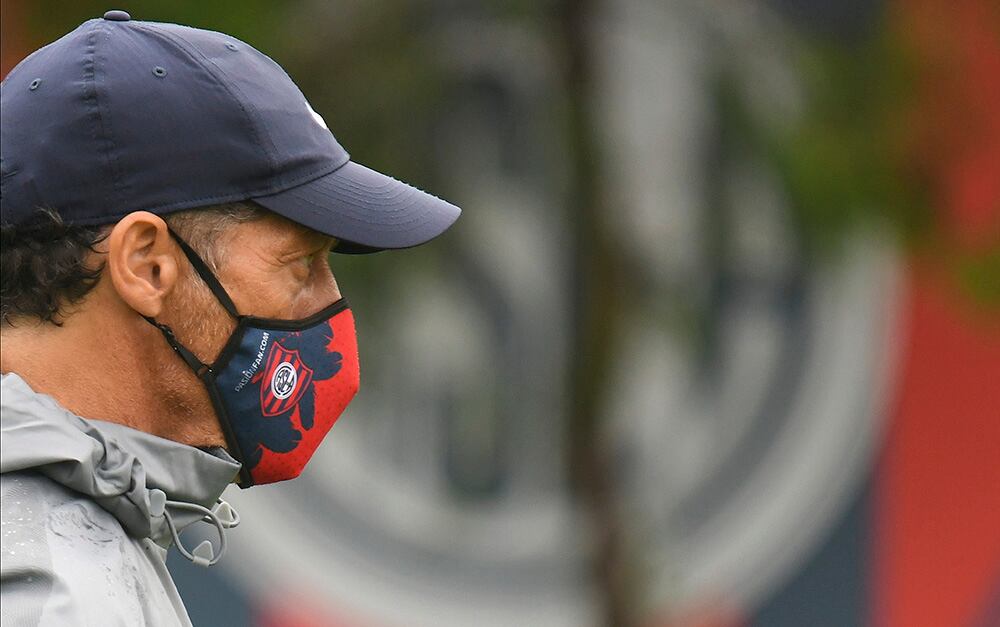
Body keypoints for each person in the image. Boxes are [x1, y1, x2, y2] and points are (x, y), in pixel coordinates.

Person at [0, 10, 460, 626]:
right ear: (148, 265)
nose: (329, 307)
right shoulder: (60, 591)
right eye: (300, 266)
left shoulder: (77, 535)